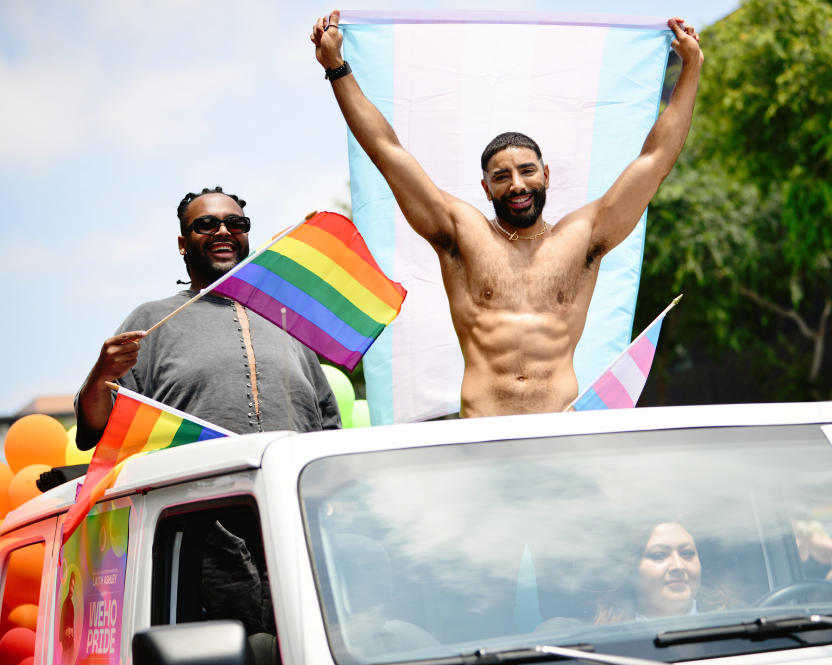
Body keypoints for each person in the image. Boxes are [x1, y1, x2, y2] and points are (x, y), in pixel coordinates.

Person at [311, 11, 703, 417]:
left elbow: (655, 160)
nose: (516, 184)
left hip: (559, 429)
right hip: (484, 432)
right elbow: (387, 152)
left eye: (527, 171)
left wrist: (690, 68)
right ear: (486, 188)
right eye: (501, 176)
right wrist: (337, 68)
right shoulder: (463, 233)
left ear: (546, 175)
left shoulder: (582, 235)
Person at [75, 187, 341, 449]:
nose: (223, 231)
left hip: (290, 485)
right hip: (197, 488)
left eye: (236, 223)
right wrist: (100, 376)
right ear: (182, 244)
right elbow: (95, 430)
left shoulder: (284, 318)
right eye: (206, 224)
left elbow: (328, 424)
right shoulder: (151, 318)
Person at [595, 521, 702, 622]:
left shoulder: (718, 622)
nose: (678, 566)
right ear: (632, 570)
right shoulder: (603, 637)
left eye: (687, 553)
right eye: (659, 555)